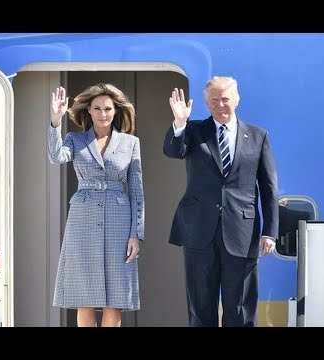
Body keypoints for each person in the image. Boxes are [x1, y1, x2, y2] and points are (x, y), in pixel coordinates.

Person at [163, 76, 278, 327]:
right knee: (200, 306)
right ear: (206, 103)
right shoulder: (193, 131)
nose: (220, 105)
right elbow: (173, 151)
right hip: (198, 231)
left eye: (225, 99)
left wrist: (270, 232)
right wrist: (180, 122)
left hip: (242, 232)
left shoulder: (258, 136)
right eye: (213, 100)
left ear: (236, 99)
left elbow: (268, 188)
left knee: (240, 307)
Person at [48, 84, 144, 327]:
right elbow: (55, 156)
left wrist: (136, 234)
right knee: (85, 295)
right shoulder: (75, 139)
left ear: (116, 111)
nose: (103, 113)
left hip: (119, 220)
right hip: (83, 220)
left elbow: (137, 191)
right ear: (88, 111)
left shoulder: (130, 143)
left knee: (116, 297)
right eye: (97, 108)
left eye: (108, 108)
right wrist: (55, 121)